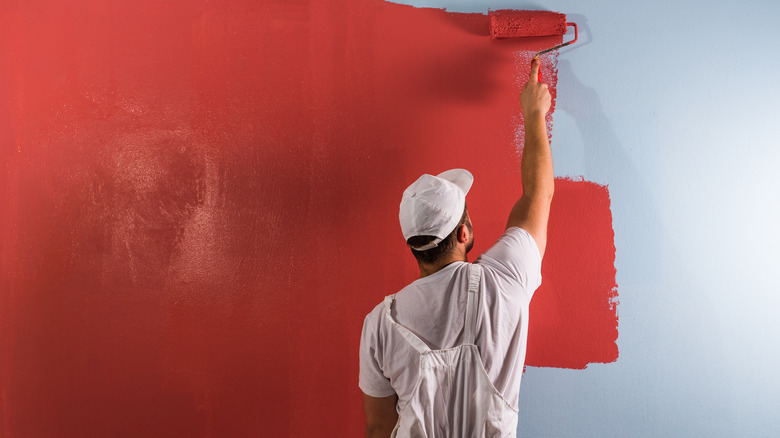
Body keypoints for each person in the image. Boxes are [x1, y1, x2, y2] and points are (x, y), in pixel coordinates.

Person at [359, 59, 554, 437]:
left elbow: (378, 429)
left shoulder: (379, 325)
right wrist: (534, 114)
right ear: (464, 233)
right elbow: (538, 194)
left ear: (413, 245)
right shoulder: (505, 280)